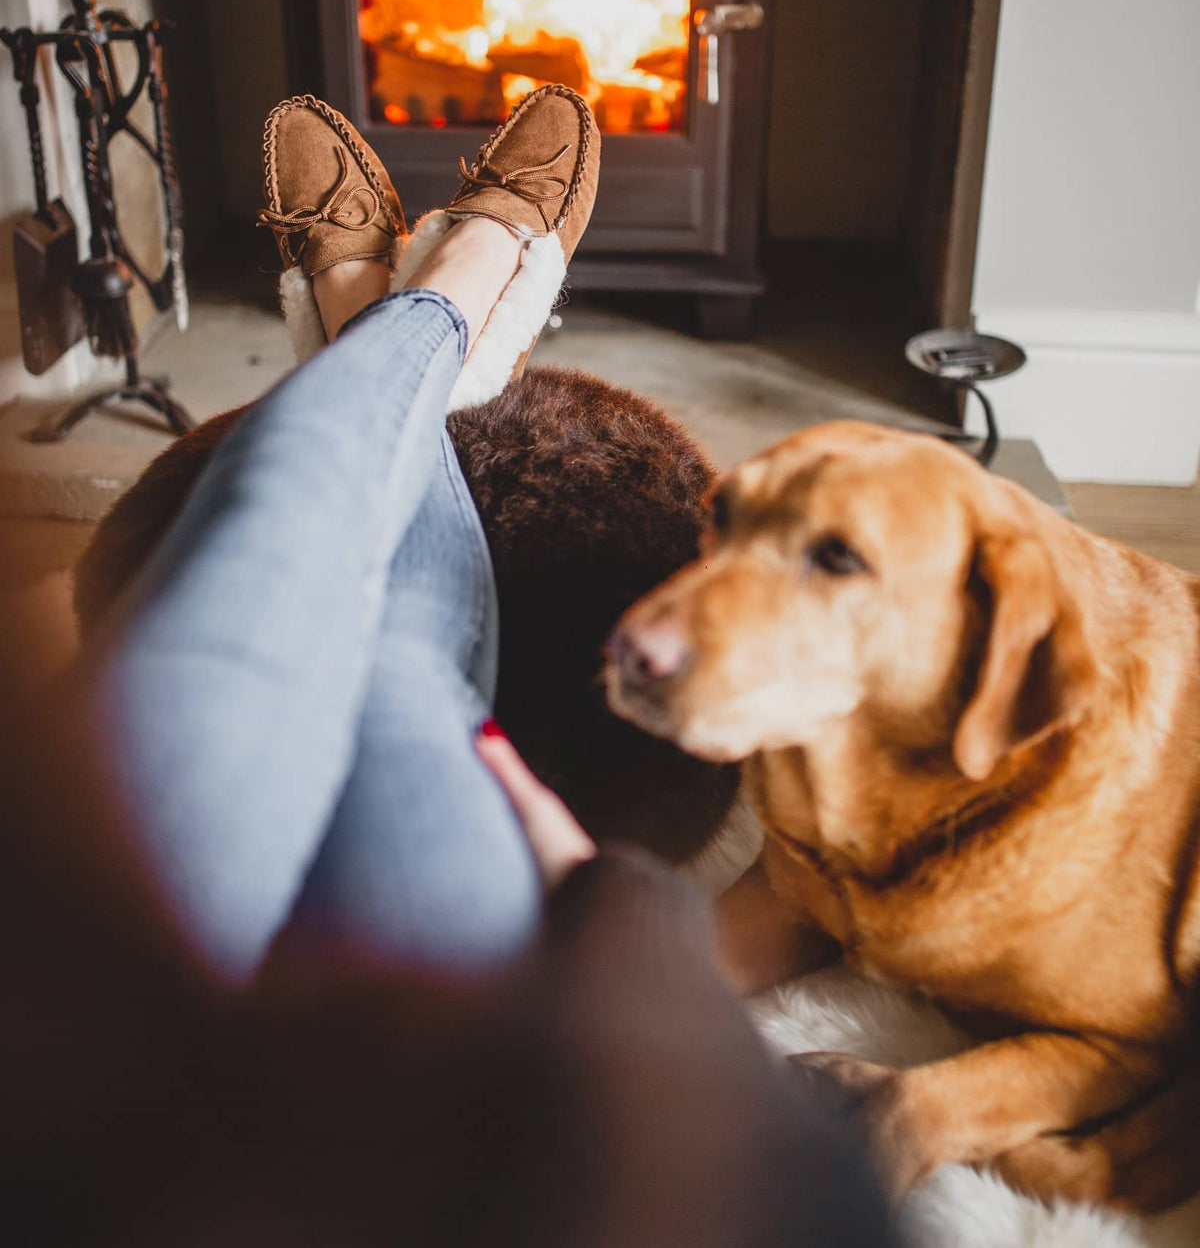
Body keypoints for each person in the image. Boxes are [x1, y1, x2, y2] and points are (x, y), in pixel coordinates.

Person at [2, 87, 898, 1245]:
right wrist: (616, 914)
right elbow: (756, 1177)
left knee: (264, 571)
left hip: (136, 1111)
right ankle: (448, 311)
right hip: (481, 1108)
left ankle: (404, 324)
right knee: (388, 654)